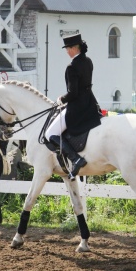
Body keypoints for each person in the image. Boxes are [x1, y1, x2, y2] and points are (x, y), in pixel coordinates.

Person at [45, 33, 101, 180]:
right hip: (90, 104)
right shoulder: (88, 61)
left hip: (77, 108)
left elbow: (73, 93)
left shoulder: (72, 66)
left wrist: (61, 99)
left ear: (76, 48)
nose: (67, 52)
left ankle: (75, 158)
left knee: (50, 133)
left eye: (68, 48)